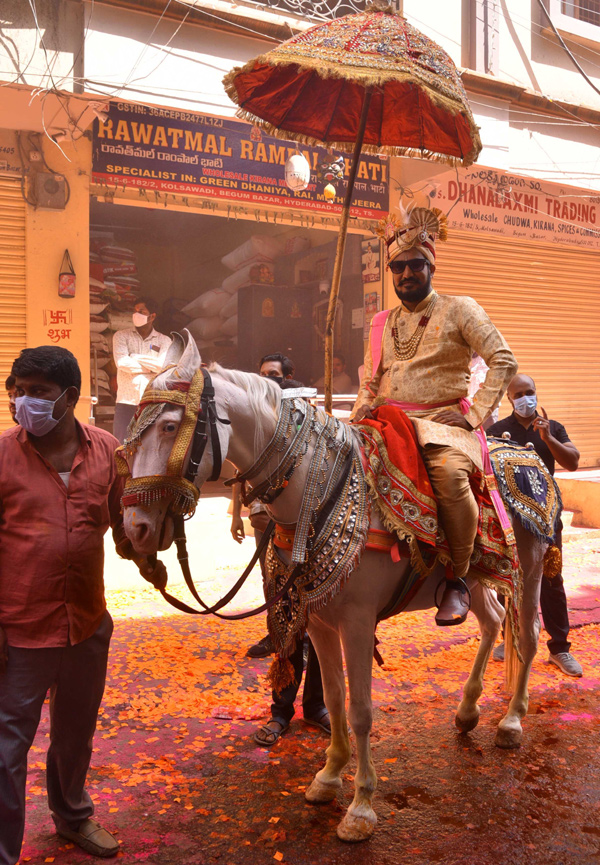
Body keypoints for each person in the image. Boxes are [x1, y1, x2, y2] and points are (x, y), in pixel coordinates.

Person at [0, 345, 164, 865]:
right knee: (5, 752)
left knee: (75, 735)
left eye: (39, 393)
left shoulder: (108, 451)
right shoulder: (2, 455)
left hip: (87, 625)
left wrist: (148, 559)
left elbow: (122, 527)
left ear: (70, 397)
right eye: (18, 392)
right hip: (19, 632)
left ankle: (72, 818)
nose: (24, 403)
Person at [351, 206, 517, 626]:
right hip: (388, 424)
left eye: (415, 265)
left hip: (445, 426)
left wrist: (475, 415)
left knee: (449, 476)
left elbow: (503, 360)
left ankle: (457, 579)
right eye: (398, 267)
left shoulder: (461, 309)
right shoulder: (381, 322)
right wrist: (354, 420)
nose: (406, 274)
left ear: (430, 265)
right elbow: (371, 382)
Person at [487, 374, 582, 677]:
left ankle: (560, 648)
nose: (526, 398)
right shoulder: (498, 430)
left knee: (551, 579)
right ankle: (511, 638)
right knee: (511, 579)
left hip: (547, 517)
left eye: (531, 392)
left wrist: (548, 440)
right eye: (520, 394)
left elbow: (573, 462)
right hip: (511, 520)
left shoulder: (552, 428)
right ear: (510, 399)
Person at [112, 297, 171, 443]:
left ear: (152, 316)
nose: (136, 314)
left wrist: (135, 356)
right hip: (127, 401)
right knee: (122, 446)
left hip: (154, 402)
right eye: (134, 311)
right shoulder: (121, 336)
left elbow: (163, 367)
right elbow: (122, 363)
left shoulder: (164, 341)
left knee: (152, 445)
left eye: (141, 311)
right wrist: (151, 369)